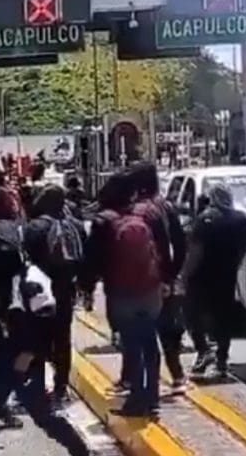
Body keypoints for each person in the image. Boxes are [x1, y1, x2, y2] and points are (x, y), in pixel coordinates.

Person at [0, 220, 72, 456]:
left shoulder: (29, 279)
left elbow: (48, 322)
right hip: (1, 360)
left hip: (23, 362)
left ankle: (81, 451)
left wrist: (31, 353)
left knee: (44, 418)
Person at [85, 172, 165, 417]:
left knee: (132, 345)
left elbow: (93, 260)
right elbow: (163, 247)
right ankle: (152, 396)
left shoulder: (103, 221)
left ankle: (136, 399)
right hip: (151, 289)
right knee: (150, 343)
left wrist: (87, 288)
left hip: (122, 291)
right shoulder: (146, 215)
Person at [128, 162, 189, 395]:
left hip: (143, 280)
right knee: (168, 328)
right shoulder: (167, 207)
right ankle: (178, 375)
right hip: (166, 277)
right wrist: (172, 274)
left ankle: (141, 385)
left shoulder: (138, 210)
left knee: (142, 332)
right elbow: (180, 244)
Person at [23, 185, 86, 405]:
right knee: (62, 340)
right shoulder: (76, 227)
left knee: (38, 338)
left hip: (39, 291)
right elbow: (83, 261)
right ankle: (61, 387)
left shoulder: (34, 227)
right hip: (65, 291)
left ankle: (37, 387)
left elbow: (25, 260)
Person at [182, 184, 246, 378]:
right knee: (223, 318)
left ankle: (204, 350)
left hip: (202, 277)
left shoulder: (205, 219)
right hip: (227, 276)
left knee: (192, 314)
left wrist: (185, 275)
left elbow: (196, 252)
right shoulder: (241, 219)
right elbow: (245, 248)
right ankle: (221, 361)